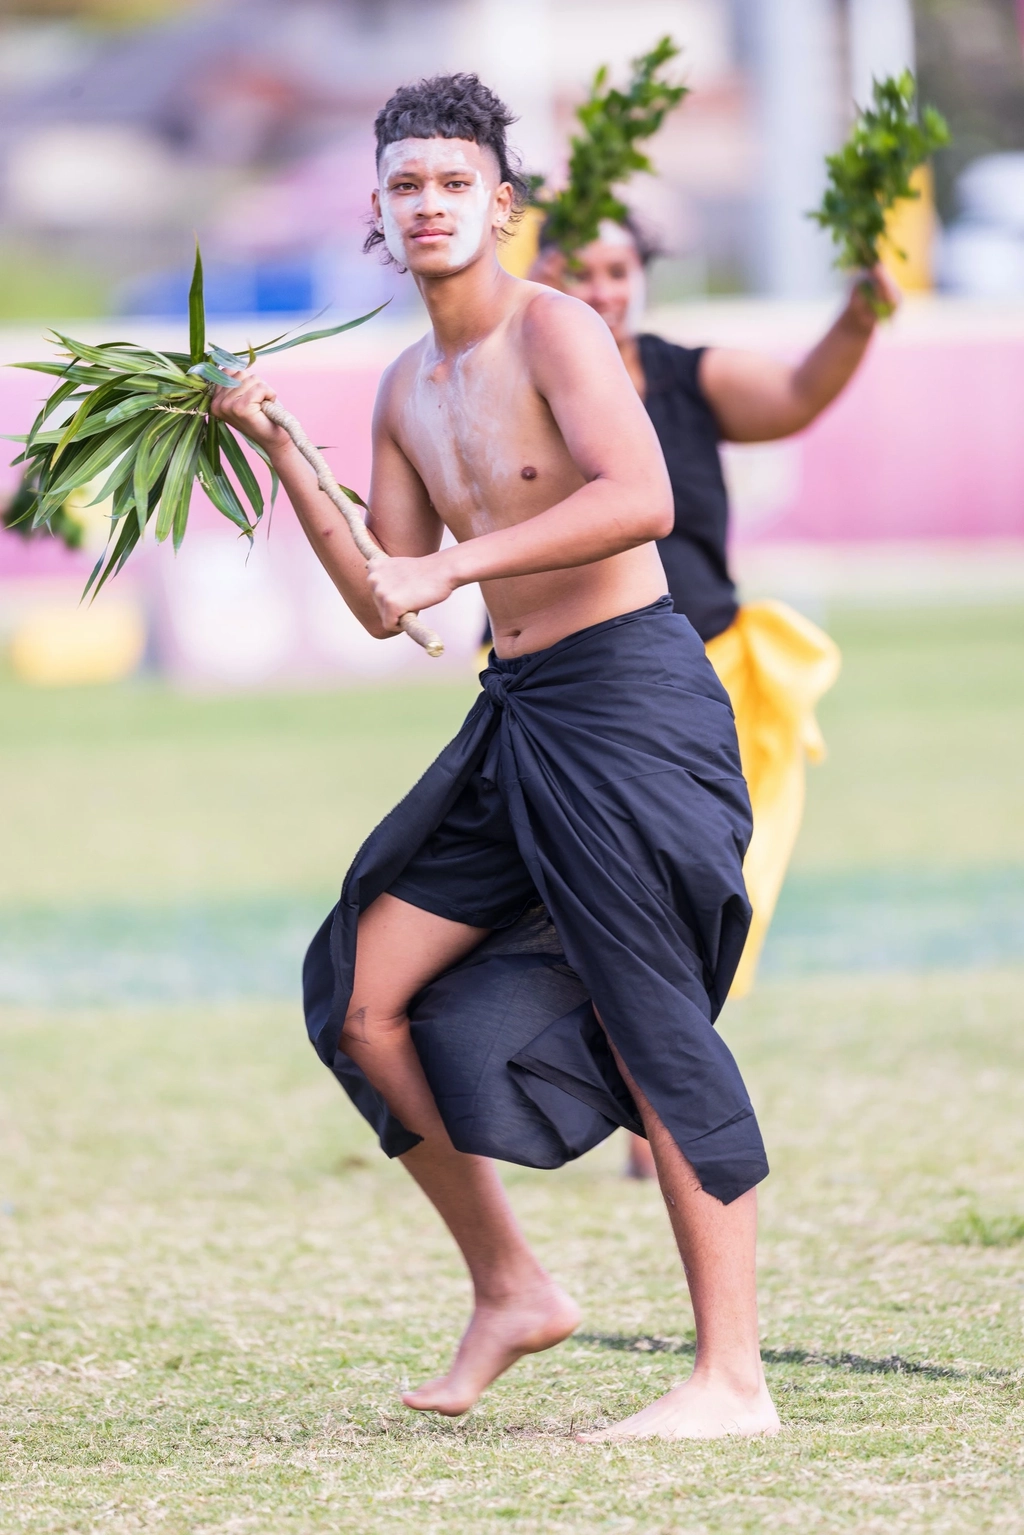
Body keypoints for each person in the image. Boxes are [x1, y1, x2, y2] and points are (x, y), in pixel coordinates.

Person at [212, 73, 779, 1442]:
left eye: (453, 183)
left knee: (652, 1021)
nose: (427, 204)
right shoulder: (408, 385)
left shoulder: (559, 328)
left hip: (635, 700)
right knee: (361, 995)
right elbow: (387, 596)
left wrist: (458, 558)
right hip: (518, 706)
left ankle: (732, 1381)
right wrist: (282, 447)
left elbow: (637, 498)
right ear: (377, 210)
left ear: (501, 204)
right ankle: (513, 1282)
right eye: (405, 185)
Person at [530, 220, 899, 1179]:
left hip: (709, 676)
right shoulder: (511, 383)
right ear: (536, 271)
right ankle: (631, 1092)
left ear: (641, 276)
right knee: (587, 900)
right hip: (570, 687)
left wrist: (858, 315)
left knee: (699, 894)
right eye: (578, 272)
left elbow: (794, 396)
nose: (602, 291)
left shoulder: (688, 379)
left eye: (618, 271)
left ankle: (662, 1097)